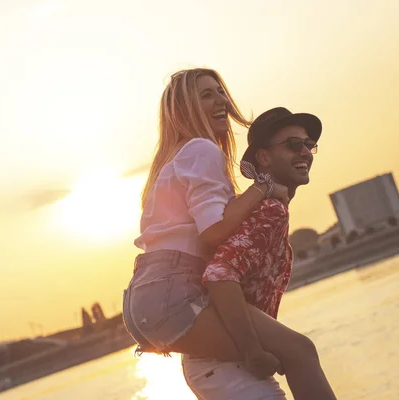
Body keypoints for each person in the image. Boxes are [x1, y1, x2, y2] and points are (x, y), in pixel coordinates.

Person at [121, 68, 336, 400]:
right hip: (174, 292)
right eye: (207, 95)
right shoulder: (201, 150)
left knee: (284, 353)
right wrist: (262, 188)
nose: (221, 100)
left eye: (220, 91)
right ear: (184, 108)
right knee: (299, 352)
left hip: (152, 293)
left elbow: (211, 227)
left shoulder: (176, 158)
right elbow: (211, 235)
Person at [181, 107, 336, 399]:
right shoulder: (269, 210)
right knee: (302, 350)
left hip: (216, 362)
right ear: (263, 158)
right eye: (293, 145)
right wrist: (253, 351)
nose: (304, 152)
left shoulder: (259, 207)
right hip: (224, 364)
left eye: (308, 144)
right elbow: (218, 274)